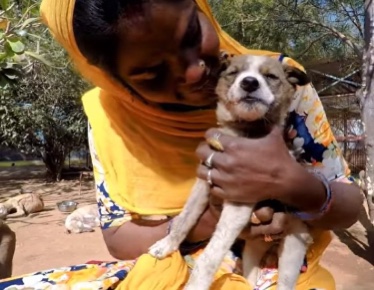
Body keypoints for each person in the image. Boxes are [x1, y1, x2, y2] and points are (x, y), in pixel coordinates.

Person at [0, 0, 362, 289]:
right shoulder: (109, 117)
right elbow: (120, 240)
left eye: (191, 33)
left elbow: (347, 206)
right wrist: (214, 216)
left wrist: (291, 184)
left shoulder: (277, 80)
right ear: (113, 80)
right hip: (164, 274)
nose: (193, 71)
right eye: (152, 73)